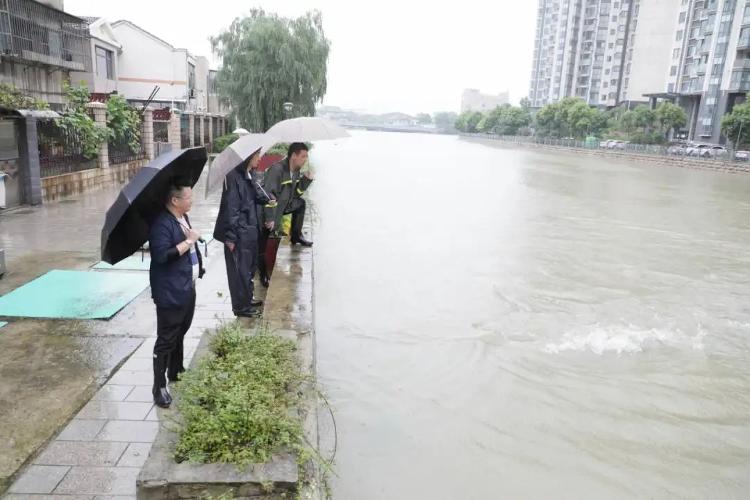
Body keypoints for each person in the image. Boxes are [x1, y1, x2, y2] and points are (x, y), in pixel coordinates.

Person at [148, 182, 204, 409]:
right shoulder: (161, 224)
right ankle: (158, 386)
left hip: (186, 285)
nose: (192, 201)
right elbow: (162, 256)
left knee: (181, 329)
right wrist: (189, 240)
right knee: (166, 338)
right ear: (175, 200)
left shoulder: (181, 217)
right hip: (170, 291)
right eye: (188, 198)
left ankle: (176, 370)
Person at [213, 148, 272, 317]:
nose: (259, 160)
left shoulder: (248, 175)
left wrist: (268, 196)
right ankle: (241, 307)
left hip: (250, 229)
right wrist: (230, 238)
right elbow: (231, 209)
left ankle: (248, 298)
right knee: (239, 271)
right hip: (238, 234)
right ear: (247, 156)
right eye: (256, 156)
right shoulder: (233, 177)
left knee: (249, 268)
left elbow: (256, 197)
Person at [263, 142, 314, 247]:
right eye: (303, 156)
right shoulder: (277, 170)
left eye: (306, 157)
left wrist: (306, 180)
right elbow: (268, 196)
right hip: (273, 210)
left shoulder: (295, 170)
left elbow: (295, 194)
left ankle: (296, 236)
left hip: (285, 204)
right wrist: (269, 219)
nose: (305, 160)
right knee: (267, 248)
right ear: (294, 156)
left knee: (300, 203)